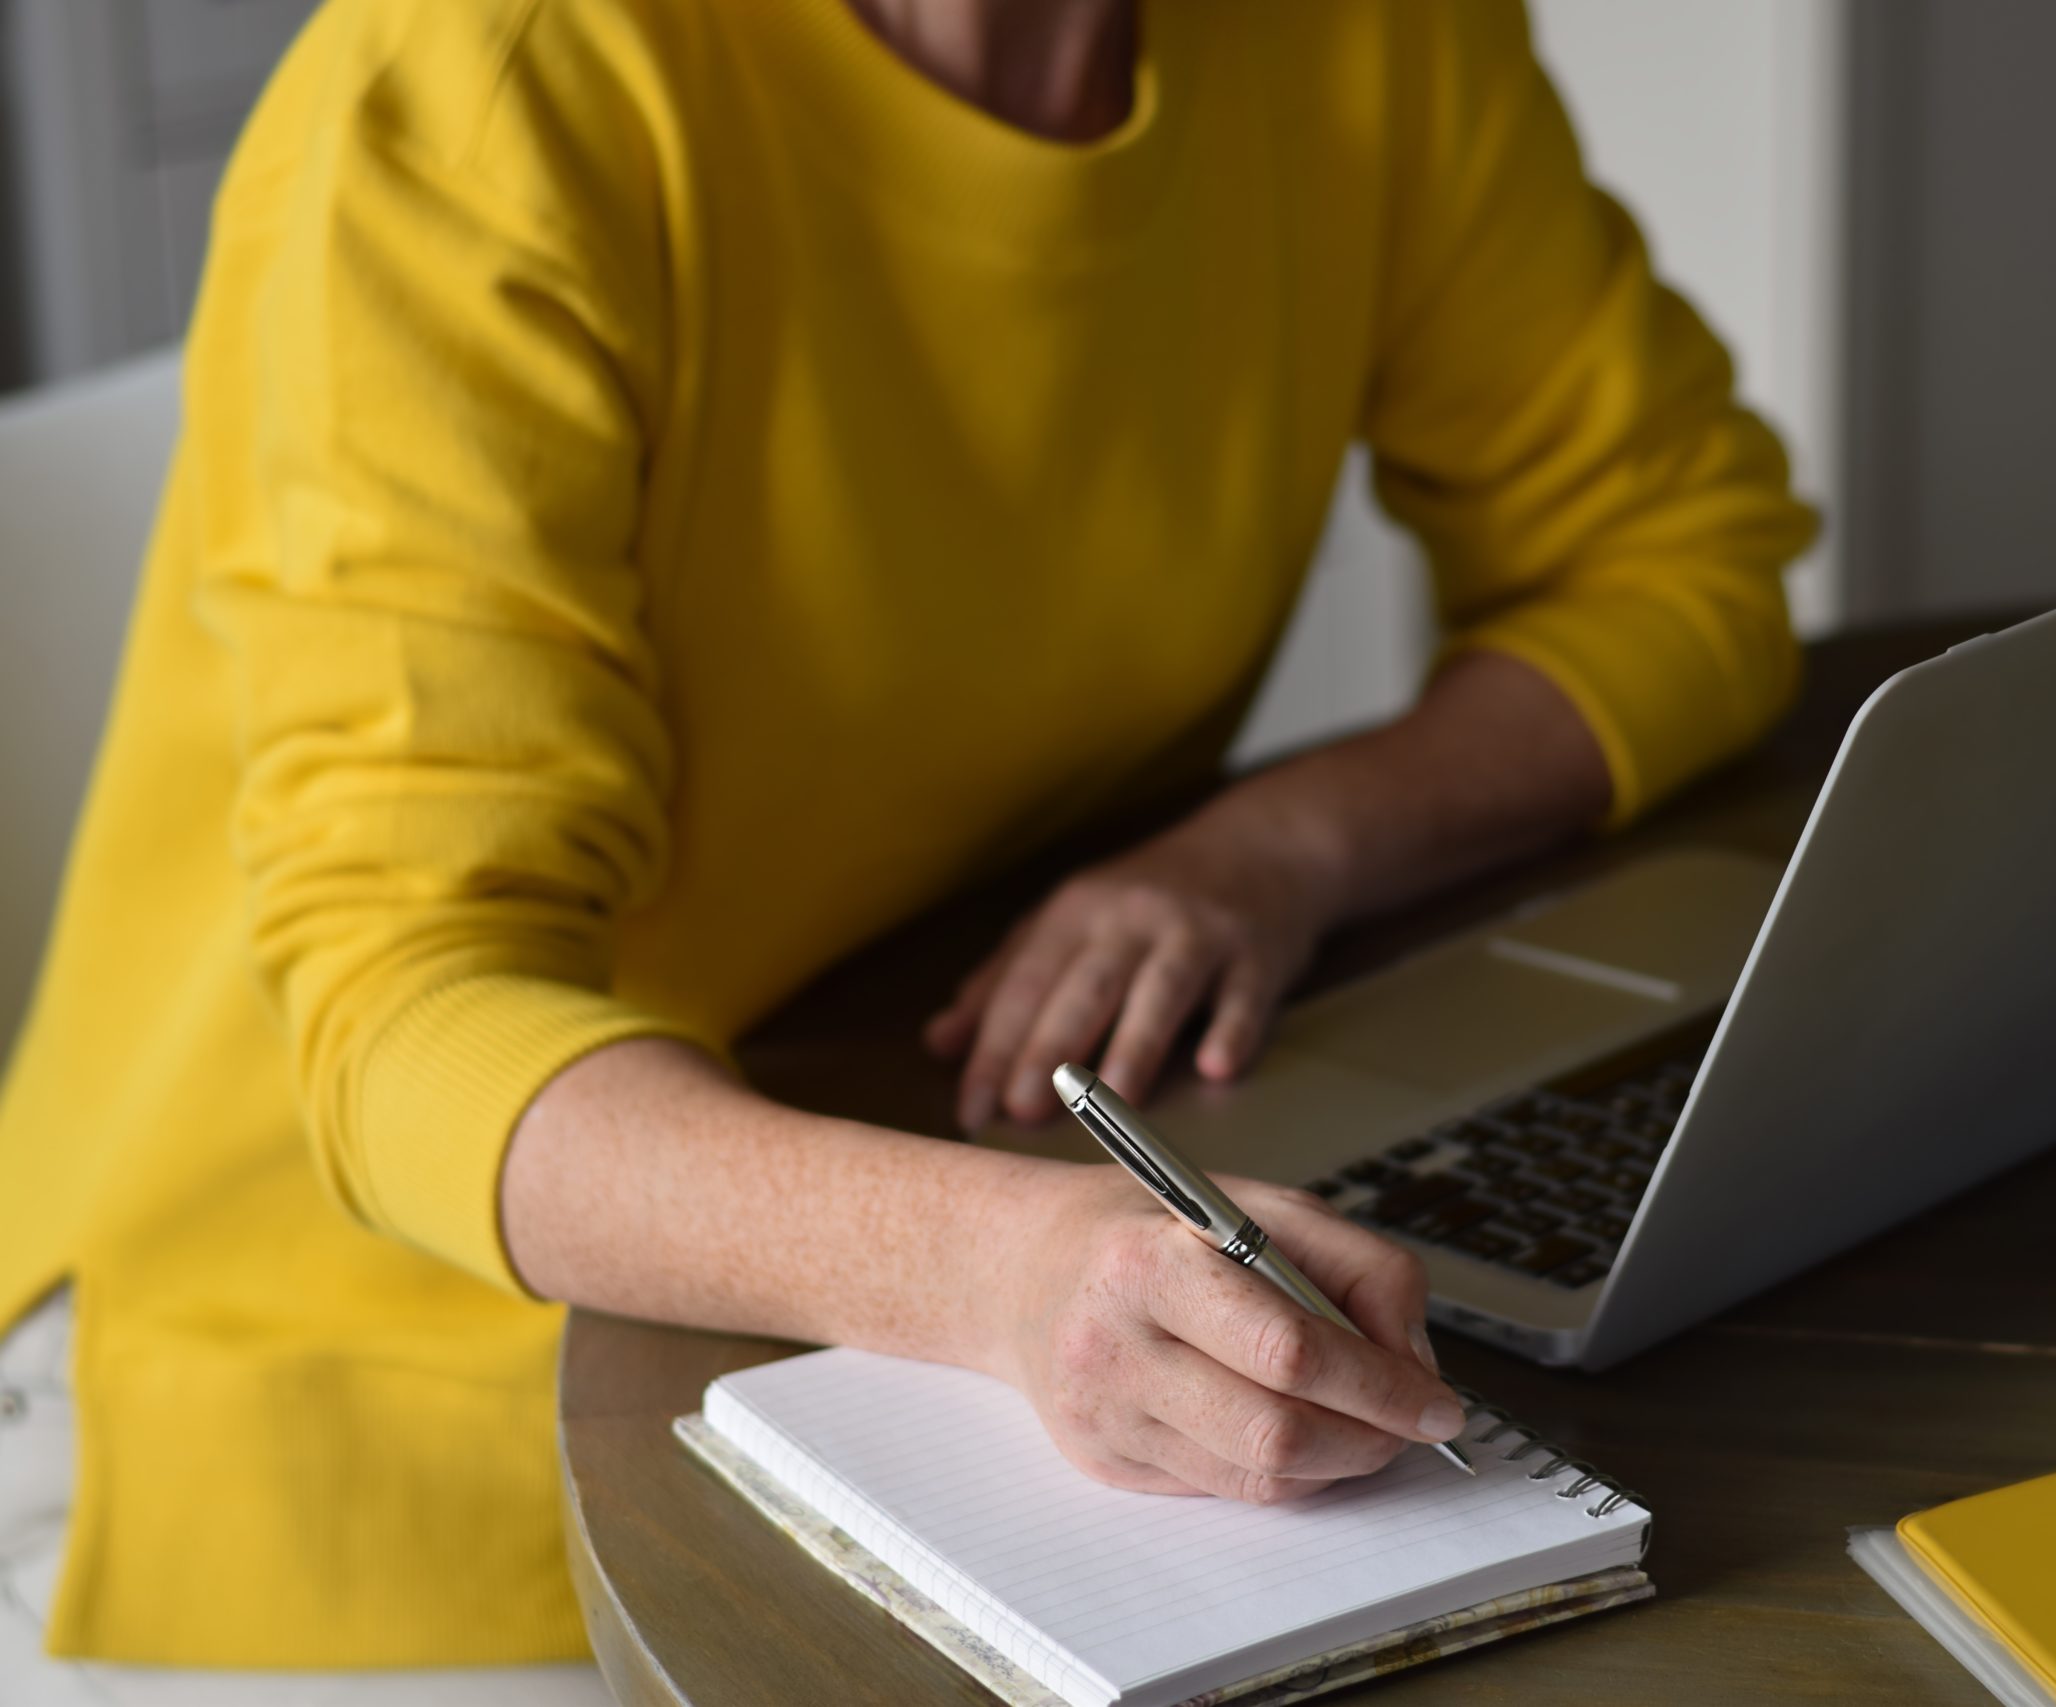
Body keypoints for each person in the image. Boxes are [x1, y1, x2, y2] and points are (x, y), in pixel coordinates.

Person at [0, 0, 1814, 1689]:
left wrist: (1284, 846)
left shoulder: (1367, 38)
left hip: (947, 1217)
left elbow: (1685, 555)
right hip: (332, 1395)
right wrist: (1004, 1277)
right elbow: (412, 1014)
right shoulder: (490, 86)